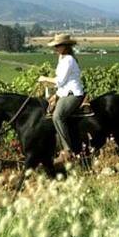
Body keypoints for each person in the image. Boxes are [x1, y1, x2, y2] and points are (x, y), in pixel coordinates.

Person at [38, 33, 85, 163]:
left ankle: (67, 151)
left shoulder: (68, 60)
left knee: (57, 116)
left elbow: (60, 81)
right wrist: (56, 96)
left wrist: (44, 78)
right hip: (65, 93)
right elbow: (63, 85)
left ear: (66, 46)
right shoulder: (63, 59)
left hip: (73, 94)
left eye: (58, 46)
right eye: (55, 46)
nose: (56, 48)